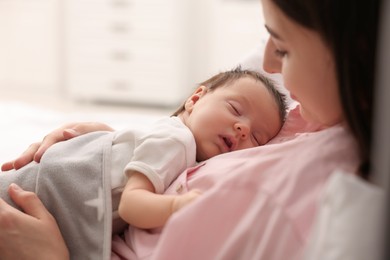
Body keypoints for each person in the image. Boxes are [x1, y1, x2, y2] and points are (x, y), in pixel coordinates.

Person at [0, 0, 381, 259]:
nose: (269, 61)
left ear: (358, 57)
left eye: (283, 48)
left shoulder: (294, 198)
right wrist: (115, 143)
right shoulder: (313, 106)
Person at [0, 68, 286, 258]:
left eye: (257, 138)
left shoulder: (169, 140)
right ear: (195, 99)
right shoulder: (178, 141)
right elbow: (132, 204)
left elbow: (125, 161)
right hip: (37, 190)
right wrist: (179, 206)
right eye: (235, 109)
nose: (243, 129)